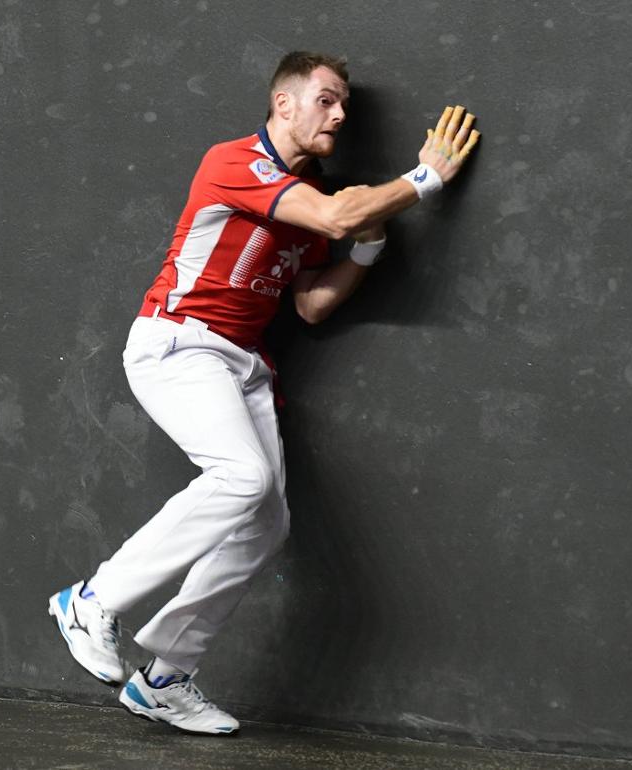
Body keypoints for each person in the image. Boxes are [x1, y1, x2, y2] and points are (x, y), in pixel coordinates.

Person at [47, 50, 479, 735]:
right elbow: (338, 216)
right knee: (242, 477)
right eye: (327, 100)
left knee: (264, 523)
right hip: (177, 342)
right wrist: (425, 179)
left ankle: (164, 677)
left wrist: (366, 252)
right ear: (284, 105)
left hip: (242, 364)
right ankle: (92, 599)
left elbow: (310, 304)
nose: (339, 115)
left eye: (345, 107)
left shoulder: (308, 199)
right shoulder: (236, 163)